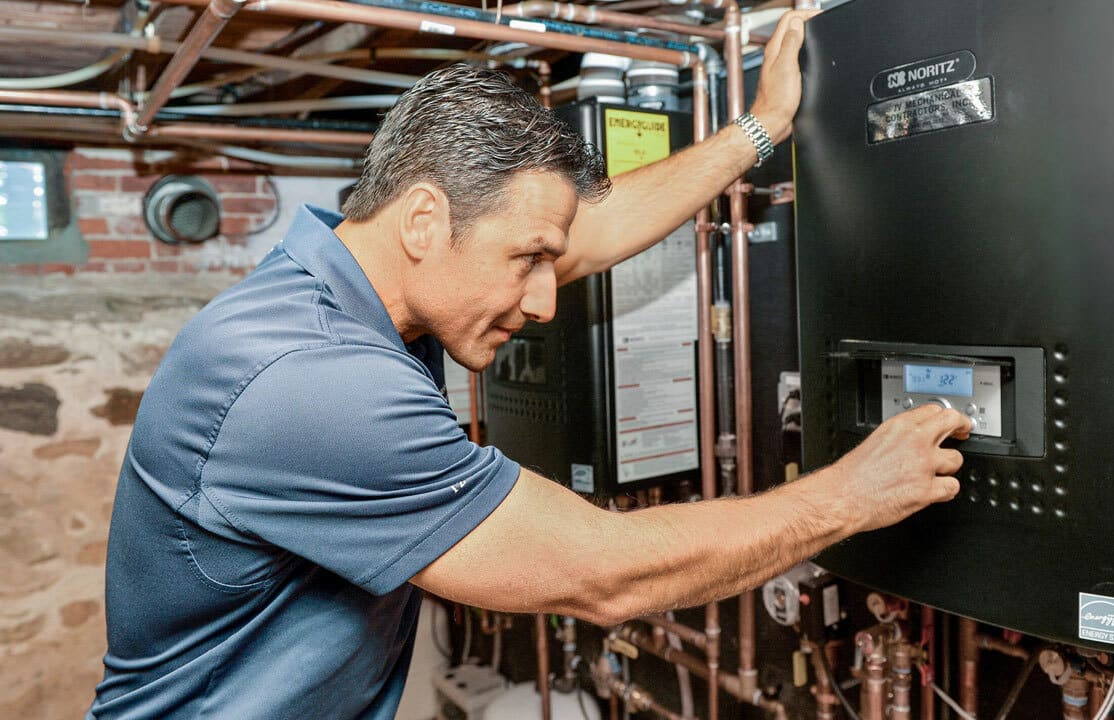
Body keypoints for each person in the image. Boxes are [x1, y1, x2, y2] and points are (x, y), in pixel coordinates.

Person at [88, 11, 971, 719]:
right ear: (425, 220)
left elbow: (590, 234)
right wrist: (849, 496)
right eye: (528, 261)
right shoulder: (314, 381)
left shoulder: (371, 281)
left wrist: (759, 127)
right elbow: (603, 572)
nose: (548, 299)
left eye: (544, 259)